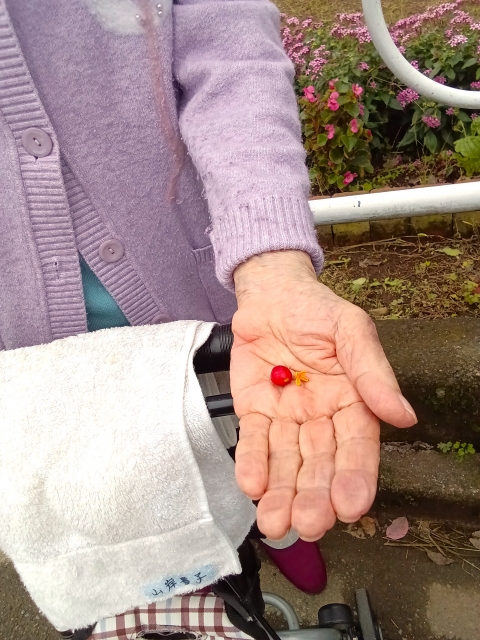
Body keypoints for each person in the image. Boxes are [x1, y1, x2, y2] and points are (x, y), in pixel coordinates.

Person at [0, 0, 416, 603]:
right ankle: (168, 557)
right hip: (29, 337)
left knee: (242, 426)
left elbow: (230, 49)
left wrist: (272, 265)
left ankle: (262, 524)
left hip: (191, 287)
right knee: (110, 465)